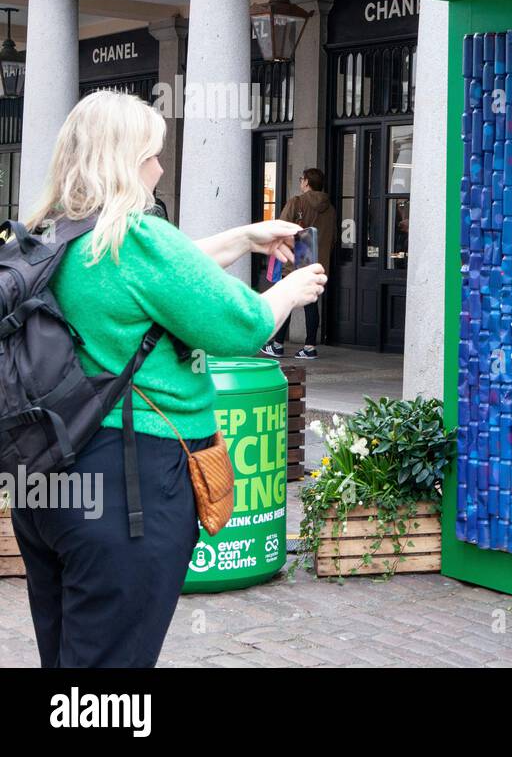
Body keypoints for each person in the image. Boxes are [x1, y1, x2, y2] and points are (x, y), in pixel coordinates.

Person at [10, 90, 326, 668]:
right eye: (154, 154)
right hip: (129, 481)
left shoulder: (53, 234)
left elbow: (159, 280)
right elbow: (242, 324)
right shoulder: (135, 238)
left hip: (49, 480)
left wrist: (241, 237)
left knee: (71, 661)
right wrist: (290, 289)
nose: (160, 167)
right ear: (127, 161)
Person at [261, 167, 336, 359]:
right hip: (318, 262)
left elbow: (281, 227)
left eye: (301, 179)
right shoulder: (331, 208)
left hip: (297, 258)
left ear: (306, 182)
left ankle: (277, 344)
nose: (300, 182)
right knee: (311, 303)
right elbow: (333, 237)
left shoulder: (297, 202)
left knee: (287, 299)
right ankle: (310, 347)